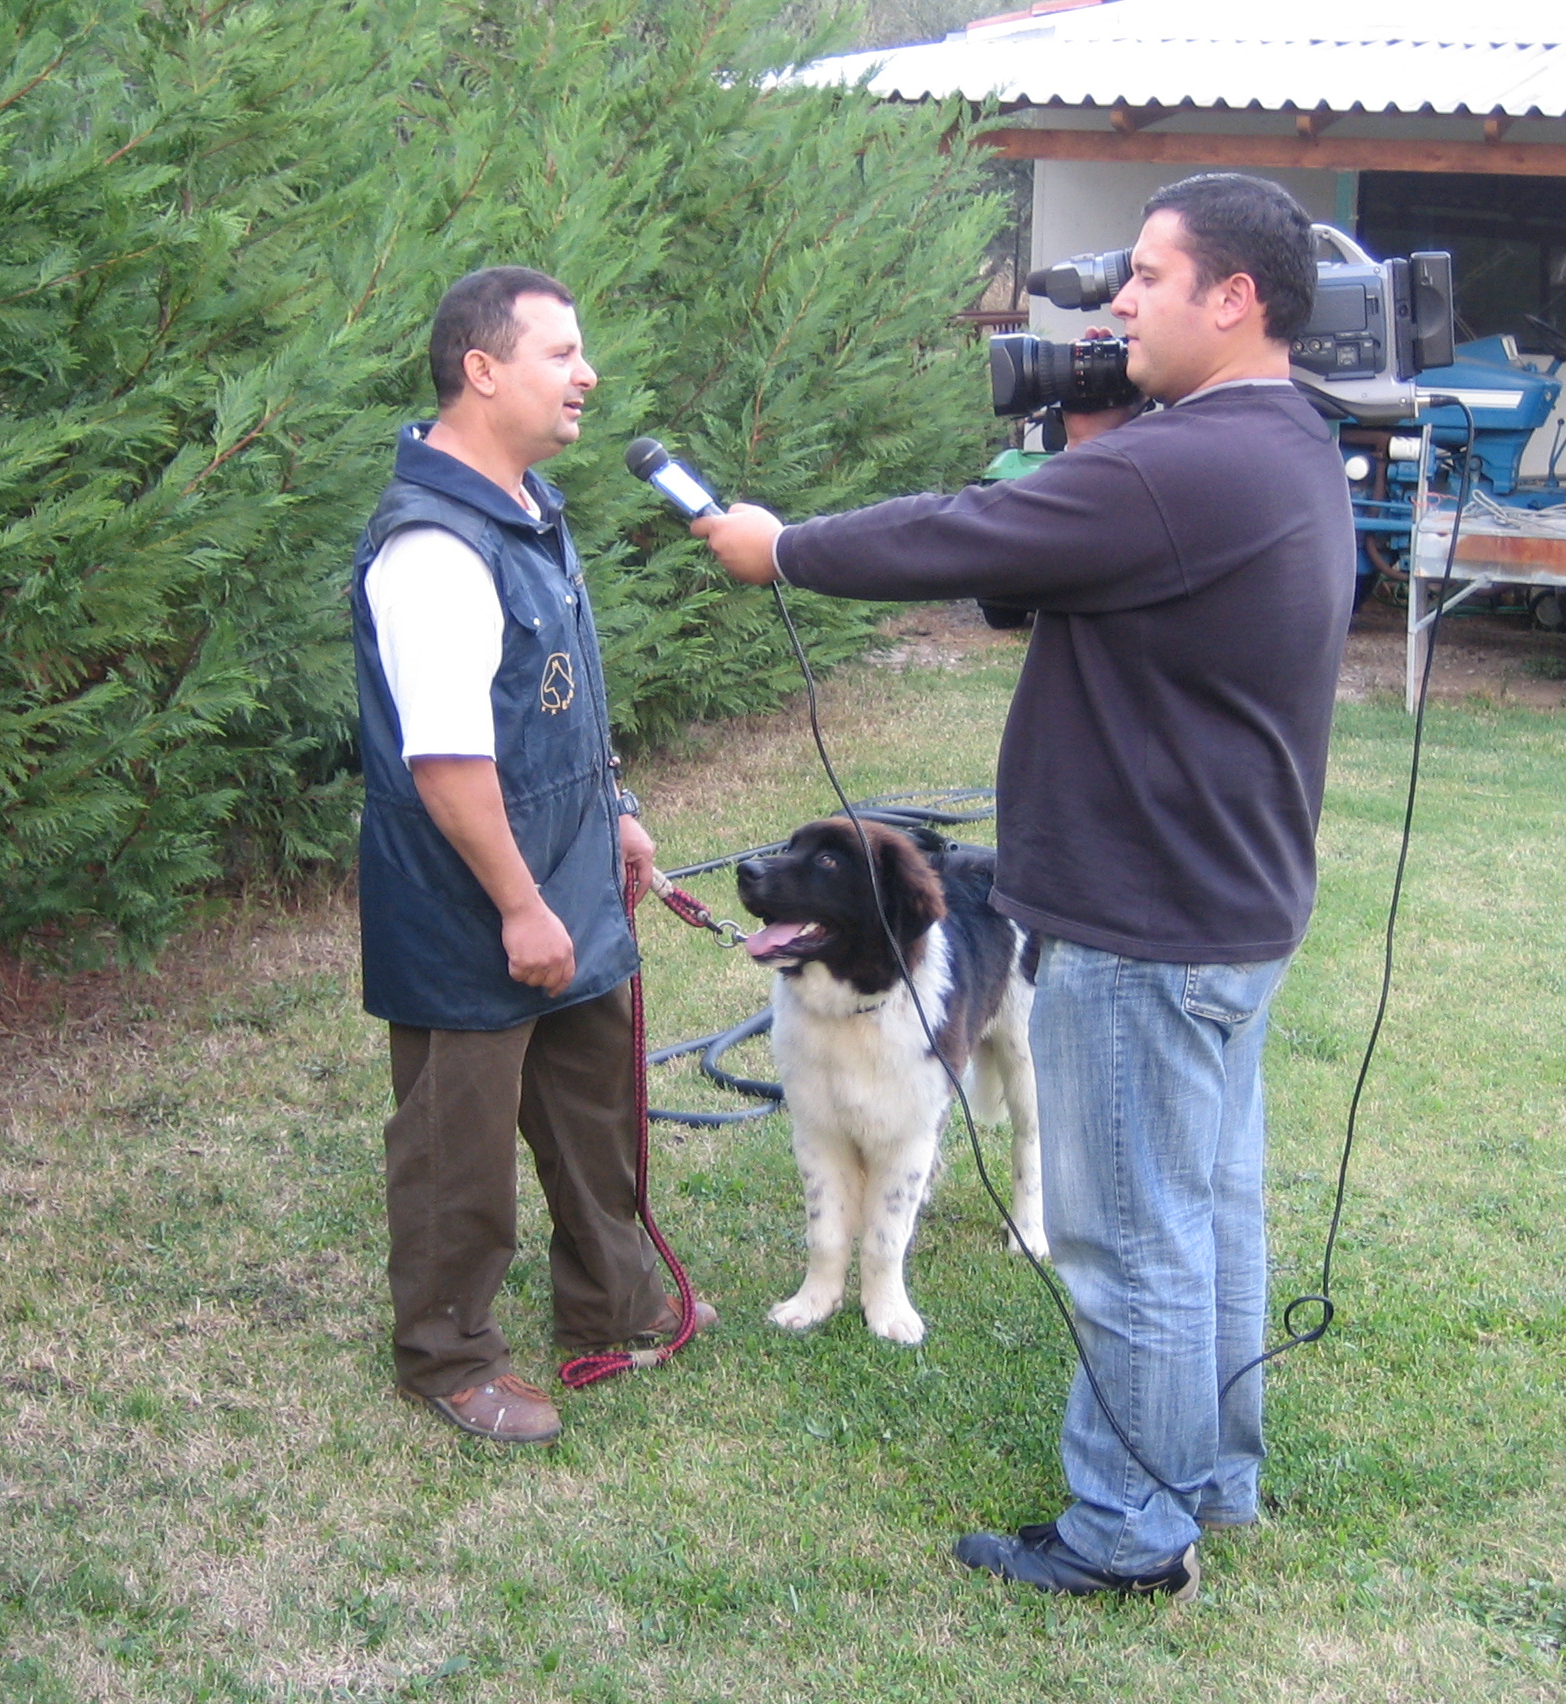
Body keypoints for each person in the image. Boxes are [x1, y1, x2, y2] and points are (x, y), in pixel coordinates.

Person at [693, 174, 1352, 1596]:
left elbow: (960, 536)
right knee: (1213, 1210)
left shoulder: (1191, 464)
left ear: (1233, 298)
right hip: (1230, 912)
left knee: (1132, 1243)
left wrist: (784, 549)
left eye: (1152, 277)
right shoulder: (1283, 446)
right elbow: (1043, 572)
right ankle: (1212, 1480)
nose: (1119, 301)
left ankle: (1127, 1531)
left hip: (1147, 927)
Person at [353, 267, 714, 1447]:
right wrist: (517, 905)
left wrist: (612, 808)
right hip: (469, 895)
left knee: (590, 1100)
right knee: (460, 1141)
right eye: (562, 353)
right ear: (483, 370)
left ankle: (612, 1306)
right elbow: (449, 763)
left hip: (563, 857)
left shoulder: (528, 505)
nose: (586, 375)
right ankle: (447, 1355)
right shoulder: (434, 548)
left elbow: (550, 703)